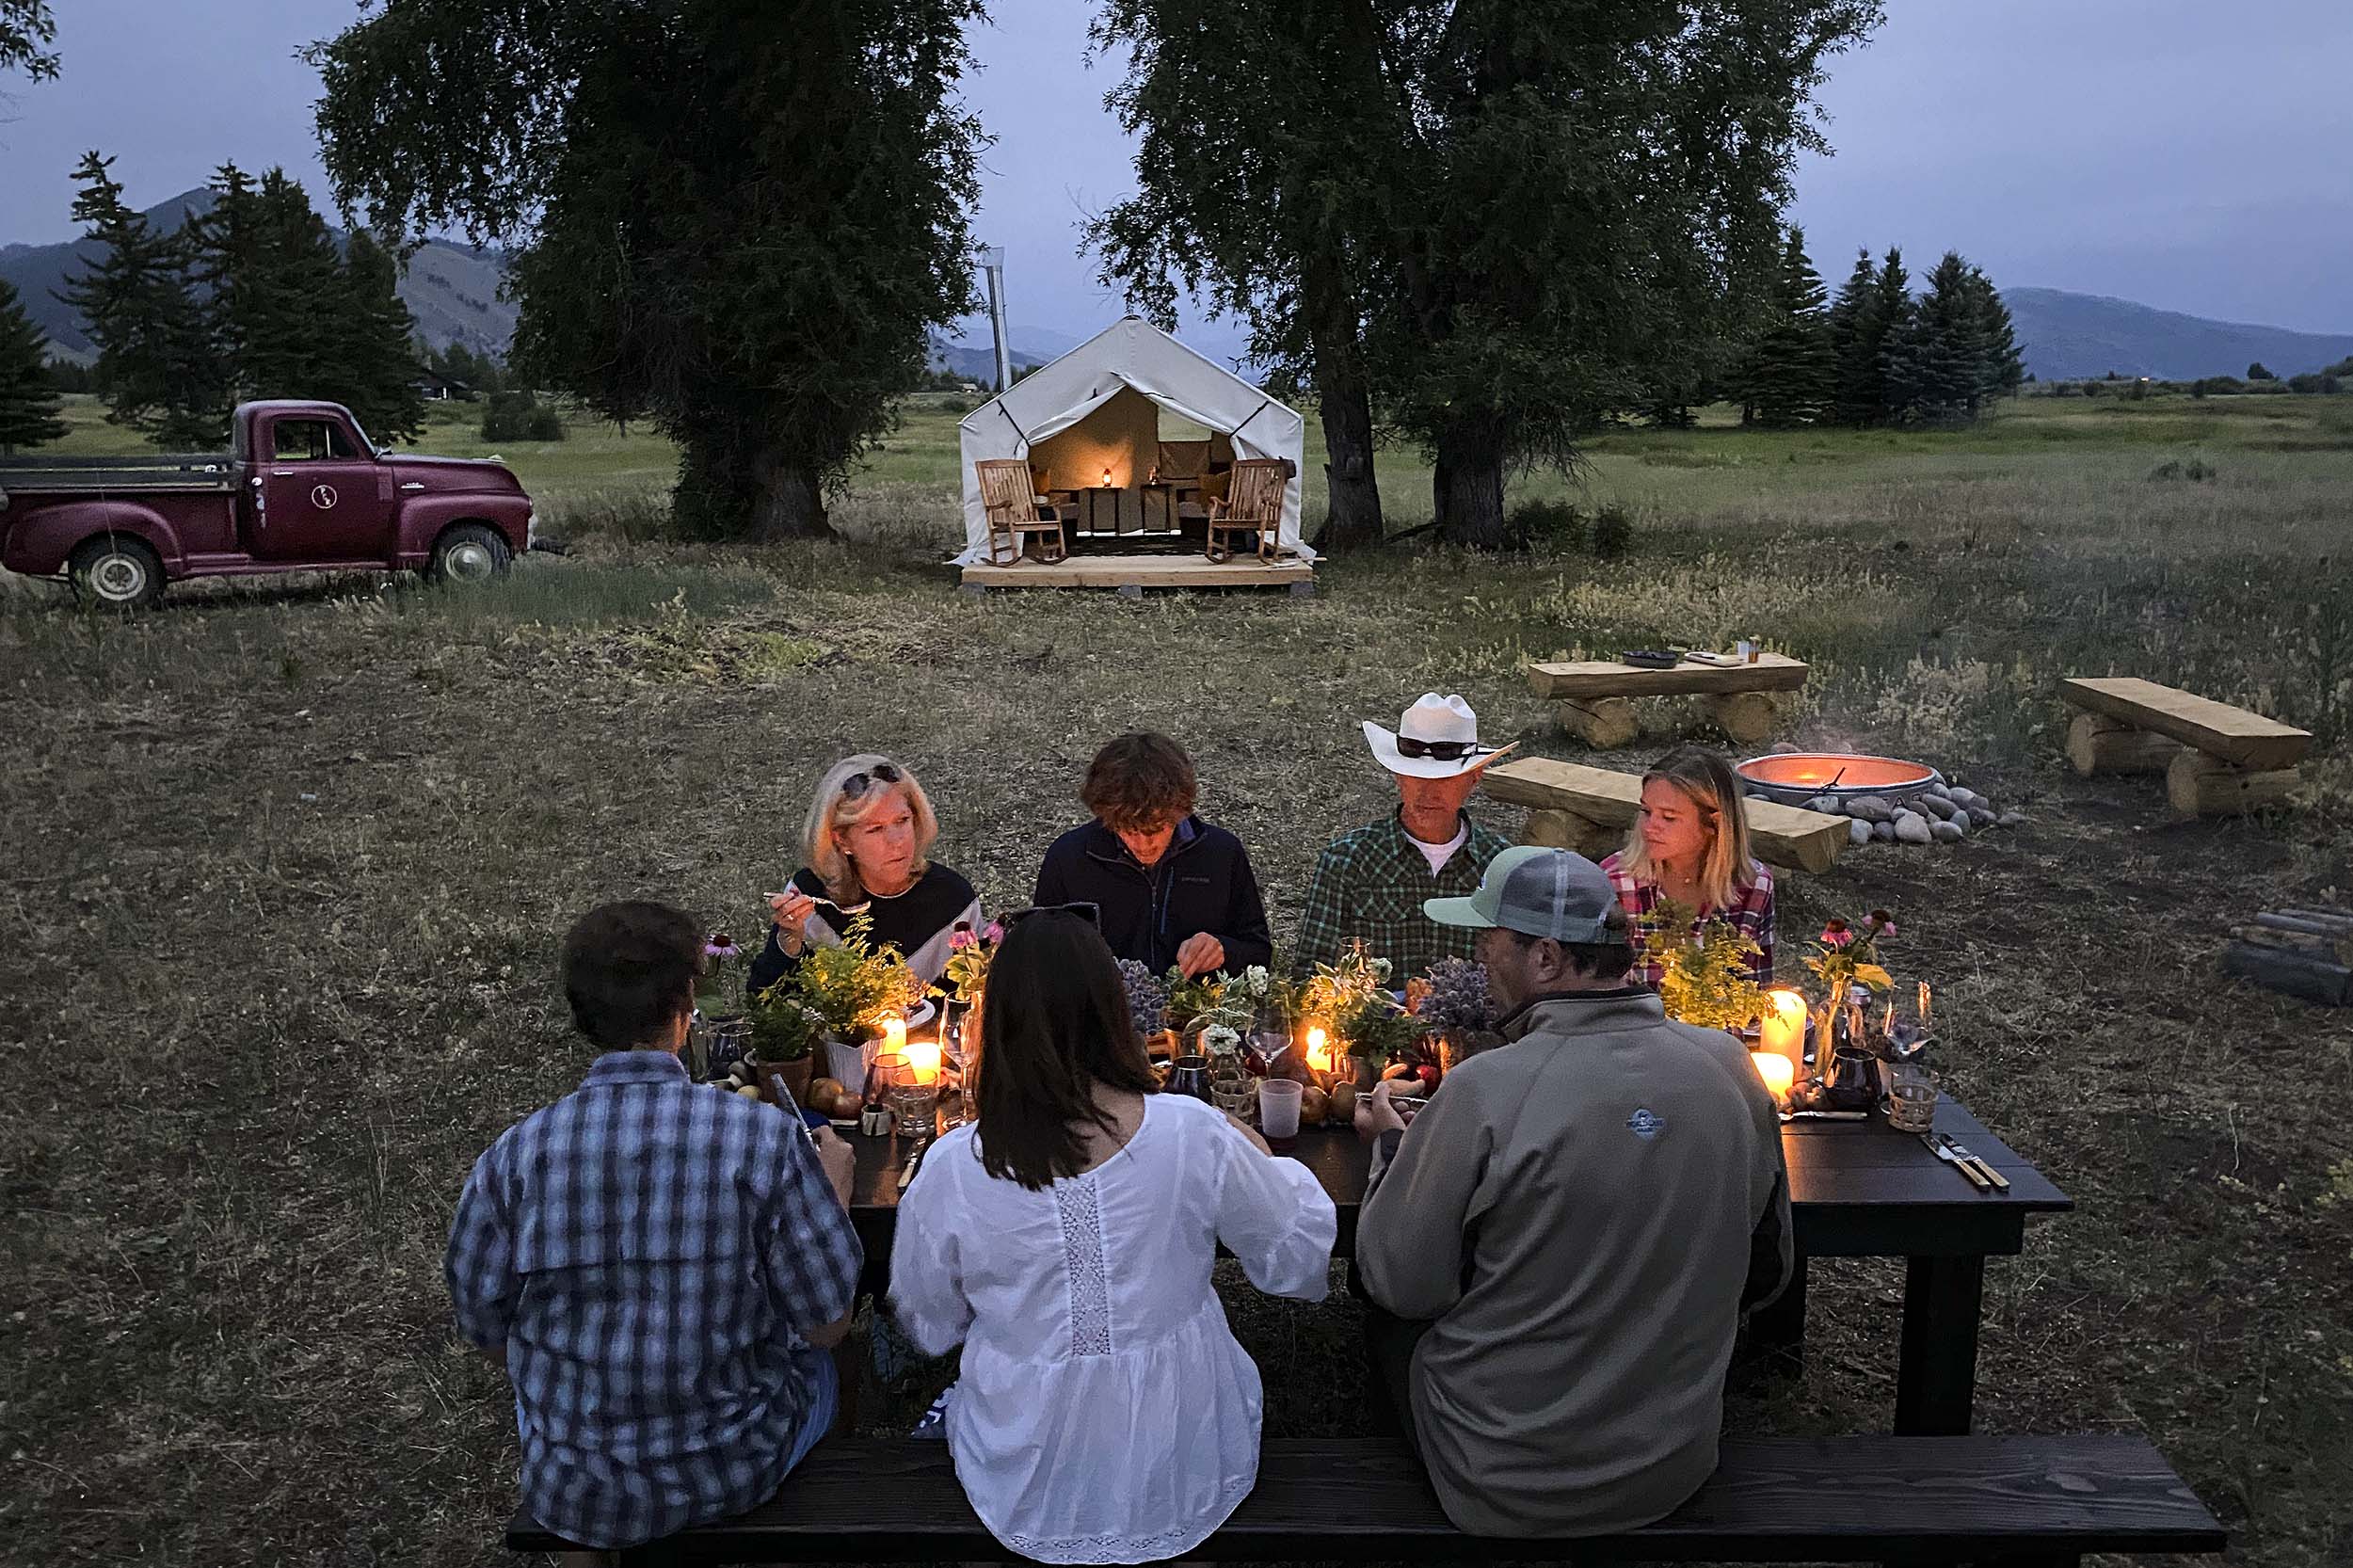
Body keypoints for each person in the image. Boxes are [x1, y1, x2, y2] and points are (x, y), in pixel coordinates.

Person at [1351, 847, 1791, 1538]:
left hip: (1506, 1482)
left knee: (1381, 1308)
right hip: (1673, 1465)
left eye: (1488, 943)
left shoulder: (1487, 1088)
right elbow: (1769, 1271)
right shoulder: (1730, 1068)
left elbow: (1401, 1285)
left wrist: (1390, 1150)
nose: (1479, 963)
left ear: (1547, 958)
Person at [888, 908, 1336, 1563]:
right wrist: (1256, 1152)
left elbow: (929, 1322)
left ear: (998, 1024)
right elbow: (1293, 1252)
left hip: (1023, 1455)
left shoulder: (955, 1166)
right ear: (1113, 1013)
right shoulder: (1190, 1132)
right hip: (1183, 1447)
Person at [447, 901, 863, 1555]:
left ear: (582, 1014)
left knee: (540, 1395)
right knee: (829, 1371)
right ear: (685, 1005)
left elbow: (486, 1328)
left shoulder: (513, 1157)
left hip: (579, 1482)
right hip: (731, 1468)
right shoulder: (762, 1140)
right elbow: (827, 1324)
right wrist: (834, 1194)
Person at [1292, 693, 1517, 979]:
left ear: (1474, 777)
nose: (1428, 793)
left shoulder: (1499, 865)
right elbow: (1312, 969)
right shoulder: (1348, 859)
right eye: (1415, 777)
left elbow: (1516, 977)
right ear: (1396, 775)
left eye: (1444, 779)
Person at [1032, 731, 1273, 979]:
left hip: (1196, 1012)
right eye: (1128, 829)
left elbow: (1258, 952)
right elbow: (1038, 955)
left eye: (1157, 829)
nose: (1144, 844)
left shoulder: (1221, 854)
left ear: (1180, 811)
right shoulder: (1070, 857)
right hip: (1100, 1011)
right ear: (1106, 816)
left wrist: (1224, 951)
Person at [749, 754, 984, 996]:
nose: (897, 842)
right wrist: (788, 943)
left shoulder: (954, 900)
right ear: (841, 840)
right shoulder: (812, 899)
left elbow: (977, 999)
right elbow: (766, 1004)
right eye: (875, 829)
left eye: (902, 820)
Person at [1601, 744, 1775, 987]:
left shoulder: (1753, 886)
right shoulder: (1615, 881)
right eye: (1646, 811)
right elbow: (1594, 995)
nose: (1650, 826)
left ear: (1713, 825)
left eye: (1668, 817)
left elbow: (1756, 990)